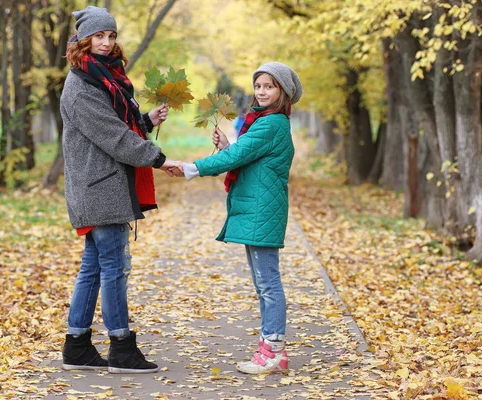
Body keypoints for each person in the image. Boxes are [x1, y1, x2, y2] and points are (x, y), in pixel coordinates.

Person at [60, 6, 182, 374]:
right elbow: (113, 137)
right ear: (84, 41)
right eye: (99, 36)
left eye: (111, 36)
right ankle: (122, 350)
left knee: (94, 267)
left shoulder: (104, 79)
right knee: (114, 267)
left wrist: (145, 121)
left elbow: (117, 125)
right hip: (99, 188)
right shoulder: (81, 86)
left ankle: (77, 346)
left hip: (102, 185)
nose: (107, 42)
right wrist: (159, 159)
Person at [181, 62, 303, 374]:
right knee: (264, 282)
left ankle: (274, 350)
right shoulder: (267, 123)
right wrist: (229, 145)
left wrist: (191, 168)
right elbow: (244, 154)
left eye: (269, 86)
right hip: (259, 210)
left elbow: (237, 157)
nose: (261, 91)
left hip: (262, 211)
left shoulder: (270, 124)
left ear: (282, 92)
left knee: (268, 282)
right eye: (259, 85)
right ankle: (270, 349)